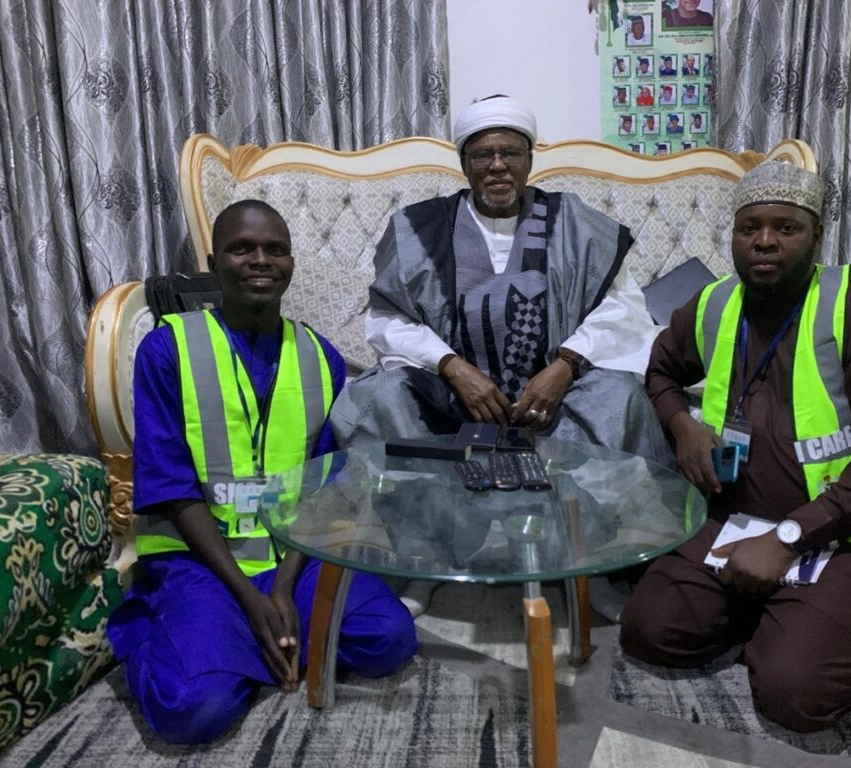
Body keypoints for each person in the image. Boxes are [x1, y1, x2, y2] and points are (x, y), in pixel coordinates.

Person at [619, 161, 851, 732]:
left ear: (816, 236)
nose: (765, 241)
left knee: (795, 696)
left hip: (849, 538)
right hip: (738, 522)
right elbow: (660, 372)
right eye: (750, 228)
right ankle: (781, 610)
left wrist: (789, 538)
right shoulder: (714, 304)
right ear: (734, 235)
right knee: (650, 632)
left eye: (786, 228)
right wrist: (683, 426)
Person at [331, 96, 672, 617]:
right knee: (380, 397)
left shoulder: (576, 223)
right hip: (450, 400)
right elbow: (387, 318)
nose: (497, 166)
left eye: (510, 153)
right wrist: (452, 367)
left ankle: (591, 563)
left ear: (530, 159)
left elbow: (623, 307)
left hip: (551, 400)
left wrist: (565, 366)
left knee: (619, 396)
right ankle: (427, 556)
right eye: (482, 154)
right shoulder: (418, 227)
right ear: (463, 163)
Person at [107, 200, 417, 744]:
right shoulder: (166, 349)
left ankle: (239, 645)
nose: (260, 260)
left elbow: (323, 488)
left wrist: (283, 590)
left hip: (294, 558)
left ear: (291, 263)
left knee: (388, 640)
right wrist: (252, 602)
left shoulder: (322, 356)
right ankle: (202, 636)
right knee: (194, 710)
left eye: (276, 249)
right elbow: (172, 488)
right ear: (213, 263)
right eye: (241, 249)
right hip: (200, 562)